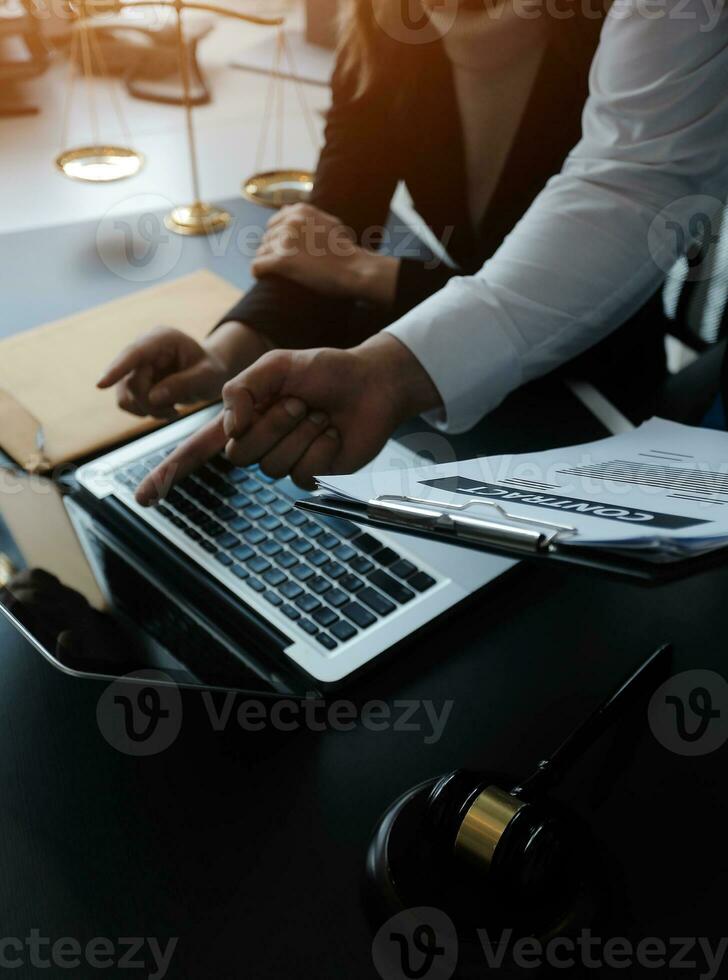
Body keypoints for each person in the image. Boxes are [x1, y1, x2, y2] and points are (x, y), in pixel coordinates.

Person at [100, 0, 659, 421]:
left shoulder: (628, 47)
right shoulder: (387, 29)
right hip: (437, 367)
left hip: (586, 391)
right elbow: (324, 233)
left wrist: (366, 272)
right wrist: (223, 357)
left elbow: (583, 307)